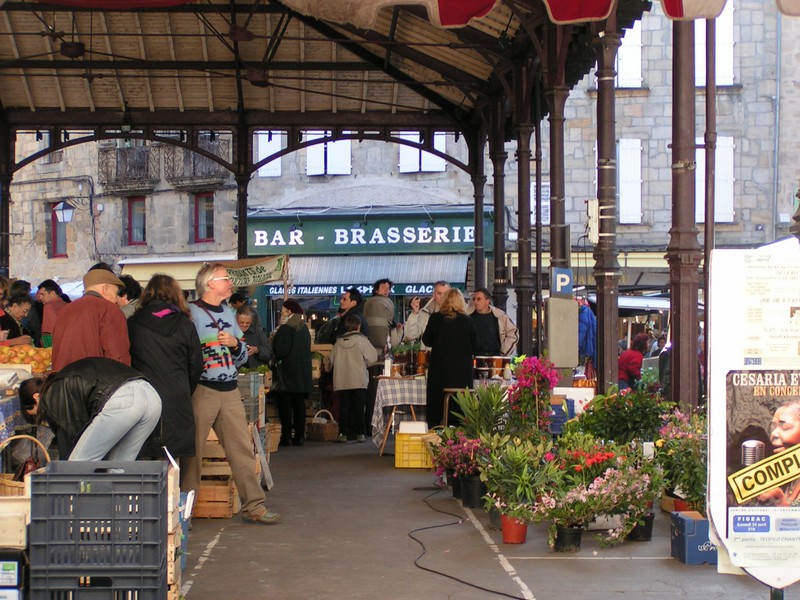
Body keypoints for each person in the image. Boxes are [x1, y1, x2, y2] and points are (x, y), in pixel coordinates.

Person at [185, 262, 279, 524]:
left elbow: (240, 358)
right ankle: (184, 512)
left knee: (241, 450)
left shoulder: (228, 313)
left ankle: (254, 505)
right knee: (193, 452)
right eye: (225, 278)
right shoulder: (190, 314)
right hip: (202, 389)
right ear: (210, 283)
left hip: (229, 389)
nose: (230, 283)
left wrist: (236, 343)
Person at [19, 357, 161, 461]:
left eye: (37, 413)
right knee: (119, 469)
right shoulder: (64, 381)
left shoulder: (53, 393)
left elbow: (71, 439)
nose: (45, 418)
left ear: (36, 397)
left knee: (78, 467)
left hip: (123, 400)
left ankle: (76, 502)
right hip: (151, 395)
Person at [128, 274, 204, 460]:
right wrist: (185, 388)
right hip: (176, 396)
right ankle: (171, 489)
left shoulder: (132, 324)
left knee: (142, 455)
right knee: (172, 459)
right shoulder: (185, 325)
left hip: (143, 397)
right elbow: (196, 365)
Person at [51, 268, 130, 371]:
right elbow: (118, 357)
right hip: (93, 381)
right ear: (105, 288)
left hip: (63, 381)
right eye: (115, 293)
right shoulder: (109, 310)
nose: (116, 300)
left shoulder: (65, 310)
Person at [422, 288, 477, 428]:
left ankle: (435, 438)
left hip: (440, 372)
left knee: (437, 408)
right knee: (460, 409)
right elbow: (476, 345)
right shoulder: (467, 321)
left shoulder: (435, 318)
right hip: (462, 374)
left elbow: (427, 340)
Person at [328, 314, 377, 443]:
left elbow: (331, 360)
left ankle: (344, 433)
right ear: (358, 326)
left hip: (341, 380)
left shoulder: (338, 343)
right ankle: (359, 433)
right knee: (359, 408)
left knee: (344, 407)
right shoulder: (362, 341)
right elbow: (373, 357)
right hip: (358, 380)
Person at [271, 299, 312, 447]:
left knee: (285, 406)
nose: (281, 312)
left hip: (287, 373)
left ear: (289, 311)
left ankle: (287, 436)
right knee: (299, 405)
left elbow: (281, 350)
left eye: (283, 310)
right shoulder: (304, 328)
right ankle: (299, 436)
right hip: (302, 372)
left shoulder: (285, 328)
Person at [758, 399, 800, 506]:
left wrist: (781, 503)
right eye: (773, 427)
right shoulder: (791, 475)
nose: (774, 434)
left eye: (784, 427)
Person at [467, 287, 518, 356]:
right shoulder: (468, 316)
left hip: (494, 359)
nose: (475, 302)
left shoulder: (499, 315)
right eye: (474, 299)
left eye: (479, 299)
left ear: (487, 301)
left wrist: (503, 352)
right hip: (473, 359)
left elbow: (513, 333)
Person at [404, 280, 450, 348]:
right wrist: (414, 313)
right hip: (430, 356)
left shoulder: (459, 313)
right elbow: (411, 336)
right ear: (434, 295)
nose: (442, 296)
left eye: (445, 293)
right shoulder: (425, 313)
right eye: (439, 293)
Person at [237, 305, 272, 369]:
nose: (244, 325)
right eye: (241, 322)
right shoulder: (230, 333)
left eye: (248, 323)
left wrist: (257, 350)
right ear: (236, 320)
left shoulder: (258, 332)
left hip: (255, 373)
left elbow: (269, 353)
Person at [36, 279, 67, 347]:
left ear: (52, 293)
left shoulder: (49, 307)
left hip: (54, 347)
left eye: (42, 294)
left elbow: (48, 333)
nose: (40, 298)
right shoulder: (66, 305)